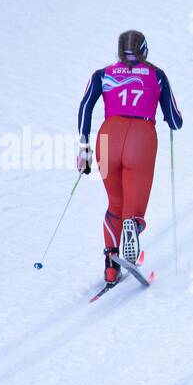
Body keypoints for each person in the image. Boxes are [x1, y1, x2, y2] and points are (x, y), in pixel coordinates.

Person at [76, 30, 183, 285]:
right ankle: (132, 228)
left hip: (107, 139)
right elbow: (175, 120)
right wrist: (167, 115)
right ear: (144, 51)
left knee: (114, 202)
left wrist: (84, 146)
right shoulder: (156, 75)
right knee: (133, 208)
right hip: (141, 140)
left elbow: (85, 106)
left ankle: (111, 266)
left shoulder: (102, 75)